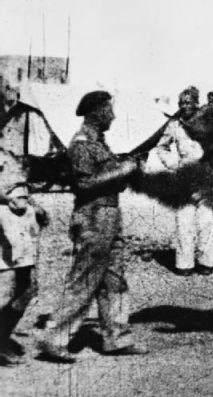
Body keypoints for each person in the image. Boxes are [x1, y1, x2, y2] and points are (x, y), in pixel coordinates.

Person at [38, 91, 147, 363]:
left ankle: (116, 337)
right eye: (109, 109)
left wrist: (131, 168)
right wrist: (122, 171)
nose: (113, 115)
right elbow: (83, 184)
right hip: (94, 215)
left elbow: (110, 180)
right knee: (84, 279)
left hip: (110, 213)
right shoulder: (82, 144)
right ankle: (54, 339)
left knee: (114, 279)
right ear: (97, 111)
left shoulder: (100, 144)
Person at [155, 87, 213, 276]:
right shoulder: (175, 125)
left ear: (196, 103)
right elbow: (162, 147)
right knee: (184, 222)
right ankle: (184, 264)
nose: (185, 106)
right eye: (181, 103)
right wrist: (173, 164)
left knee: (207, 222)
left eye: (188, 102)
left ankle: (206, 262)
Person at [0, 150, 48, 366]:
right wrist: (7, 198)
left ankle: (2, 336)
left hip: (20, 220)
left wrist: (33, 204)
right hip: (3, 222)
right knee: (6, 288)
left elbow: (20, 184)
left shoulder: (6, 152)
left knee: (28, 288)